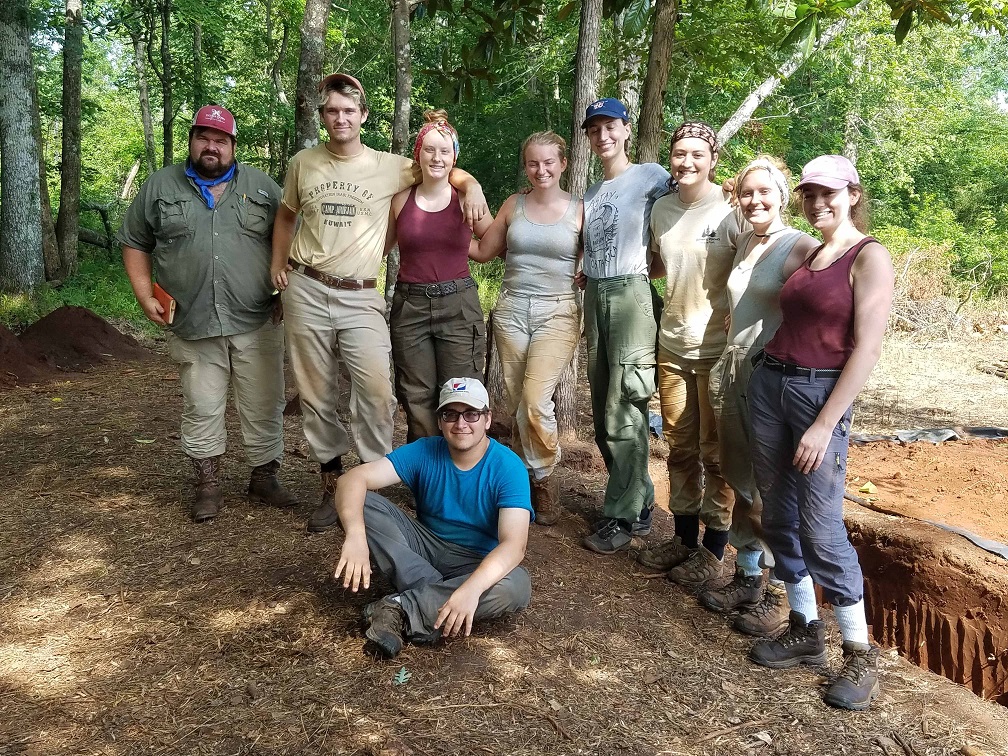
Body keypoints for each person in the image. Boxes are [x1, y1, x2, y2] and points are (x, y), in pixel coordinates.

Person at [270, 73, 488, 534]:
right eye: (332, 110)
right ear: (322, 115)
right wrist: (277, 264)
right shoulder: (302, 164)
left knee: (376, 392)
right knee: (315, 393)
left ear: (363, 116)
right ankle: (332, 484)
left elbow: (442, 163)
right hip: (307, 286)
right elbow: (286, 216)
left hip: (361, 292)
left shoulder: (391, 166)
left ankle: (372, 487)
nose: (341, 118)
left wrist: (472, 187)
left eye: (350, 110)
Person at [746, 155, 894, 711]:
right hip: (771, 385)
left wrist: (825, 424)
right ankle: (805, 627)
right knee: (778, 513)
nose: (817, 203)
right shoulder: (811, 253)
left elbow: (868, 348)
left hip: (817, 396)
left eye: (828, 193)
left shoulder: (868, 256)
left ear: (853, 193)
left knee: (822, 524)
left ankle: (858, 652)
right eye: (809, 194)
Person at [118, 105, 296, 523]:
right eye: (203, 137)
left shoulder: (263, 188)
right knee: (202, 405)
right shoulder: (161, 186)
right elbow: (134, 241)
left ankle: (264, 477)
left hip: (256, 317)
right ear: (192, 141)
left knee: (265, 403)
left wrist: (288, 293)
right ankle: (207, 484)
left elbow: (293, 239)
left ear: (234, 146)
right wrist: (145, 296)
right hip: (192, 321)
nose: (211, 146)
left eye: (221, 140)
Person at [696, 156, 818, 638]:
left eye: (765, 192)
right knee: (738, 473)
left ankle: (775, 589)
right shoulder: (745, 239)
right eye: (747, 193)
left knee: (770, 485)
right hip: (731, 368)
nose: (755, 200)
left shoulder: (800, 247)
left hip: (769, 377)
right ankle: (746, 576)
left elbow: (821, 308)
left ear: (783, 196)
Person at [332, 377, 533, 658]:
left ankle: (399, 606)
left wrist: (471, 589)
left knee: (516, 586)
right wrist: (355, 534)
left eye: (471, 414)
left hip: (473, 562)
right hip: (423, 549)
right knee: (360, 501)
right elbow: (351, 479)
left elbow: (514, 545)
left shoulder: (508, 467)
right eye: (450, 414)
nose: (460, 423)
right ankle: (433, 598)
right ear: (440, 422)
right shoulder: (425, 450)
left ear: (487, 420)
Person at [639, 121, 741, 590]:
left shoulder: (731, 212)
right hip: (672, 344)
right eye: (680, 154)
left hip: (718, 350)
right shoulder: (661, 209)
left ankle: (713, 551)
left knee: (715, 453)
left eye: (698, 155)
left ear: (713, 160)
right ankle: (682, 538)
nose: (687, 162)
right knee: (679, 447)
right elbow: (660, 261)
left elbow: (752, 267)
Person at [472, 131, 583, 526]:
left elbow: (596, 256)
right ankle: (521, 483)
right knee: (521, 402)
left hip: (559, 311)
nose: (541, 170)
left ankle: (545, 479)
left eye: (549, 162)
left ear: (563, 164)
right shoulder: (513, 205)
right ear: (526, 165)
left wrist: (589, 268)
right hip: (512, 310)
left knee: (536, 401)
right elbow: (485, 251)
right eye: (533, 163)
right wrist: (443, 237)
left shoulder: (579, 209)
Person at [578, 98, 672, 554]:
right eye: (594, 129)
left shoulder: (652, 176)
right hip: (594, 293)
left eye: (610, 126)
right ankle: (642, 499)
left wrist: (651, 270)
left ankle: (623, 513)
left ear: (626, 129)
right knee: (602, 406)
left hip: (631, 295)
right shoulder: (593, 193)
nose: (603, 136)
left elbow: (681, 216)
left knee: (626, 403)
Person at [387, 110, 493, 442]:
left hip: (458, 305)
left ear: (454, 156)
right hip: (410, 306)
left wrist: (474, 186)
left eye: (445, 150)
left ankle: (463, 475)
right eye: (429, 149)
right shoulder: (400, 198)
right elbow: (378, 247)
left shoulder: (467, 197)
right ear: (418, 153)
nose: (437, 157)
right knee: (416, 396)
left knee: (462, 394)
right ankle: (427, 480)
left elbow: (489, 246)